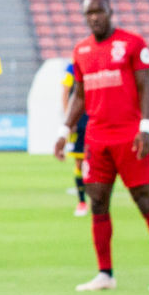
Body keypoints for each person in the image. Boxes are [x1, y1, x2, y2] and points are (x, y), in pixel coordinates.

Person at [54, 0, 149, 292]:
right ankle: (105, 274)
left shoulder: (132, 44)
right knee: (97, 202)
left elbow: (144, 86)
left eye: (99, 11)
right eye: (89, 13)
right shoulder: (81, 50)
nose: (94, 17)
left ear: (110, 11)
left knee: (144, 200)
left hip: (128, 136)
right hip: (96, 139)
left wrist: (145, 128)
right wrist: (64, 130)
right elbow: (80, 96)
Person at [59, 63, 89, 217]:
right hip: (79, 120)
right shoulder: (72, 67)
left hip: (97, 118)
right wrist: (68, 119)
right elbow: (65, 92)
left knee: (98, 161)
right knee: (79, 162)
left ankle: (97, 198)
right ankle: (82, 202)